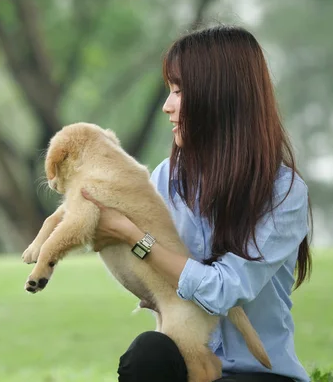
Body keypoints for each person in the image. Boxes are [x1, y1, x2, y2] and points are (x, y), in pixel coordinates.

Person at [83, 25, 312, 382]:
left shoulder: (283, 193)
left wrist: (135, 239)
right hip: (190, 364)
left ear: (218, 97)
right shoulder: (165, 179)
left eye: (178, 91)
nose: (167, 106)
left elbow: (222, 290)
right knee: (148, 354)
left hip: (258, 374)